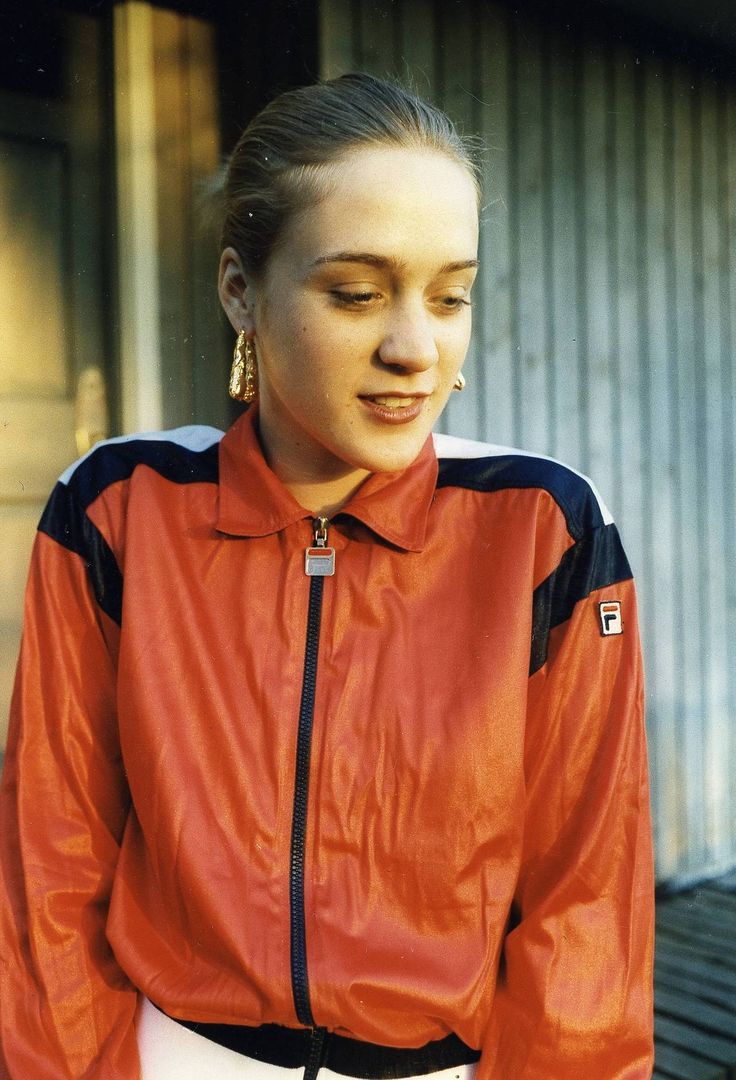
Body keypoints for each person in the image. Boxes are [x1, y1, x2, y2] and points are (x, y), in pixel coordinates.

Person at [0, 73, 654, 1079]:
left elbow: (585, 906)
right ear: (239, 292)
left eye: (450, 296)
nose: (414, 348)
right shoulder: (115, 508)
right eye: (354, 291)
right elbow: (52, 860)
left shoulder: (544, 531)